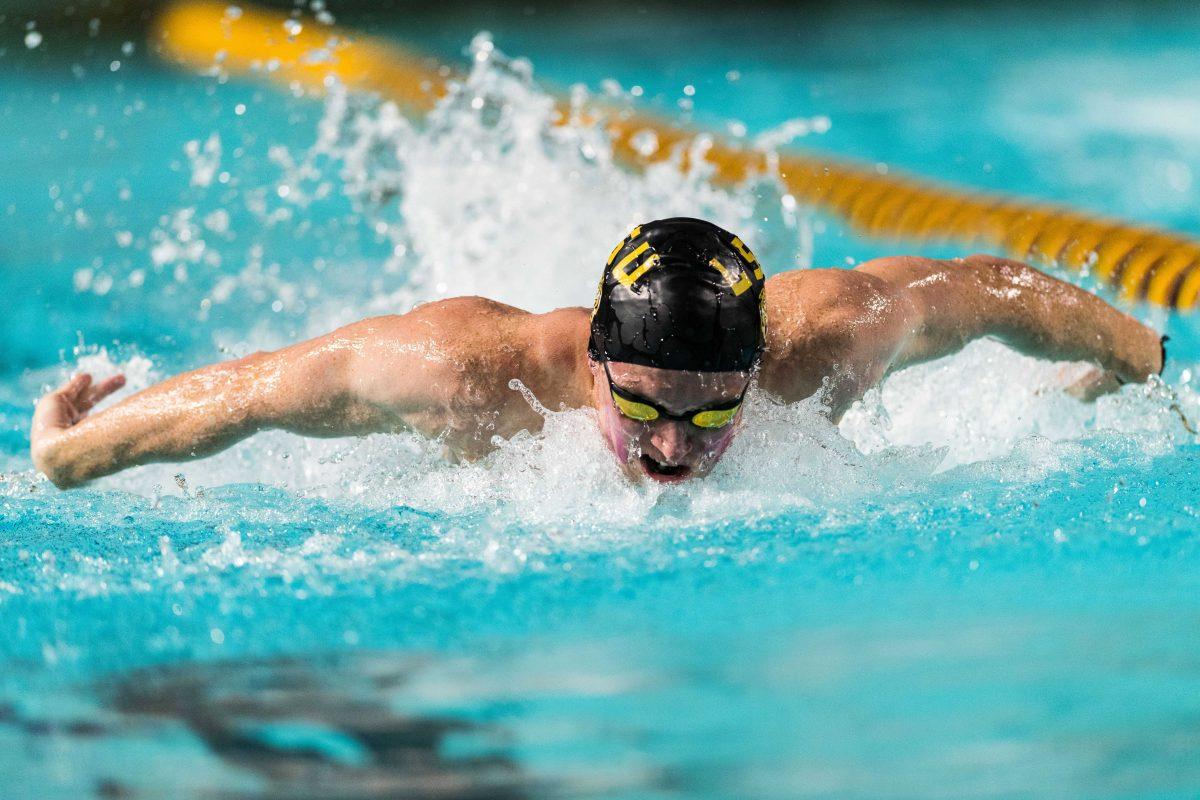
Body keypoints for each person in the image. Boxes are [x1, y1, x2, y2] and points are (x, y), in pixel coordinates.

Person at [31, 218, 1165, 489]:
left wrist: (1148, 360)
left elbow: (990, 292)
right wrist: (70, 457)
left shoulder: (828, 345)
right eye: (649, 410)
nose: (675, 449)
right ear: (591, 360)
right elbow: (261, 391)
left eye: (717, 414)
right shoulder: (470, 371)